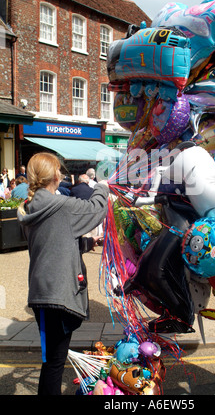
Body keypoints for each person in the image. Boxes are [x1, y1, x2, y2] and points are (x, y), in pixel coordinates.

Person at [17, 152, 109, 395]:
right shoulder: (59, 206)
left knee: (53, 361)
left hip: (44, 294)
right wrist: (101, 185)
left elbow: (51, 244)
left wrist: (87, 244)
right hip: (54, 294)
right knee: (54, 364)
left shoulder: (31, 206)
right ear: (54, 175)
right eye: (59, 169)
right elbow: (96, 208)